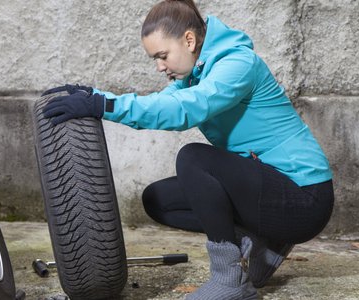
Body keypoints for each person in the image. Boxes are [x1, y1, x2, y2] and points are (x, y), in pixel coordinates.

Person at [41, 0, 334, 299]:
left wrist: (103, 106)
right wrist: (96, 96)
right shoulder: (194, 75)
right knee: (158, 199)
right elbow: (159, 102)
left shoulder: (238, 64)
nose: (159, 66)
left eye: (162, 55)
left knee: (193, 158)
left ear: (189, 40)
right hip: (267, 189)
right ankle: (265, 240)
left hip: (305, 198)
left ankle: (230, 279)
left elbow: (186, 108)